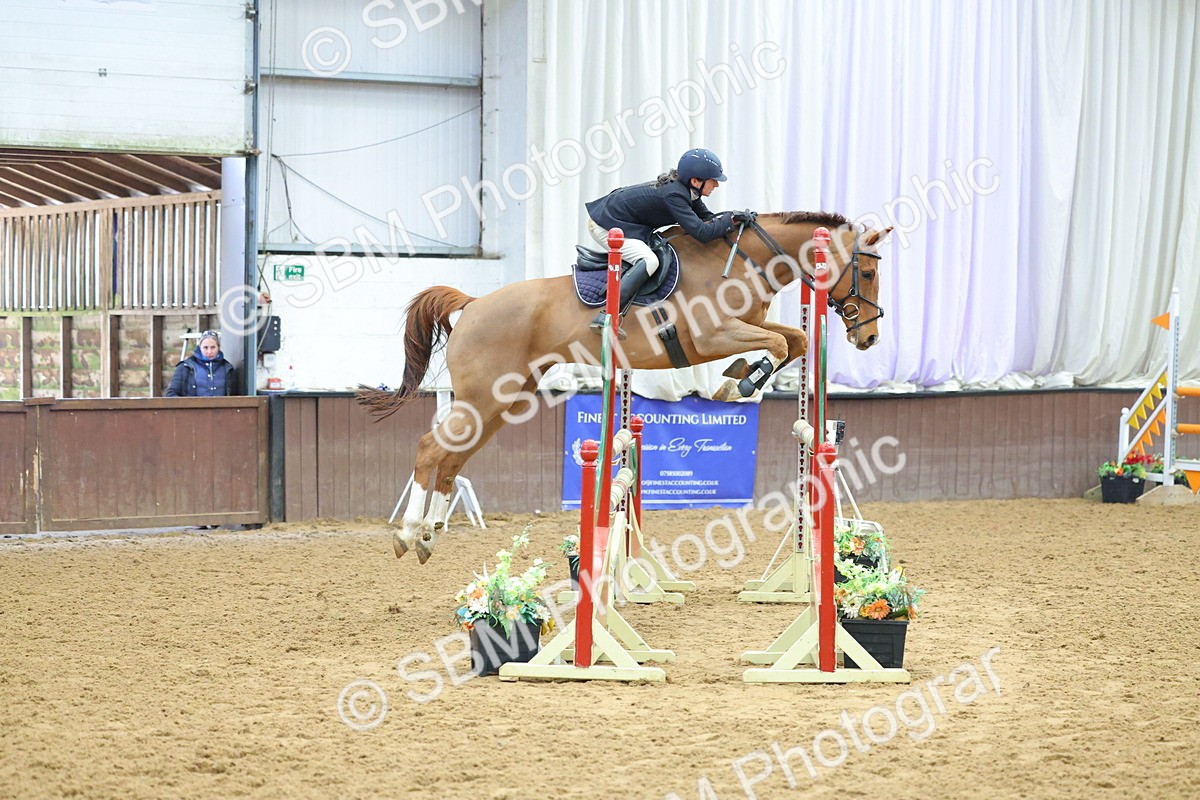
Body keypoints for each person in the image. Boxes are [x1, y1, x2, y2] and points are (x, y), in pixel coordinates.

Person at [583, 147, 753, 333]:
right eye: (713, 180)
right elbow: (702, 233)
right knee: (649, 260)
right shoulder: (675, 195)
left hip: (623, 222)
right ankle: (607, 315)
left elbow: (708, 219)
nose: (717, 185)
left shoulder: (689, 192)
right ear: (695, 181)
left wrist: (735, 219)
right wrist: (730, 220)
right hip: (605, 225)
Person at [166, 330, 236, 396]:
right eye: (205, 347)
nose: (209, 351)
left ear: (218, 347)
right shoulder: (185, 367)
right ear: (200, 348)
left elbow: (235, 396)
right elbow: (171, 393)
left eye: (213, 347)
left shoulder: (227, 368)